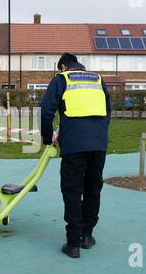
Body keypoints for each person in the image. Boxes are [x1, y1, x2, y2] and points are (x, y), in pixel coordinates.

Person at [40, 53, 111, 259]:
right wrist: (98, 135)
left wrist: (47, 138)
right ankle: (87, 236)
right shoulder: (98, 80)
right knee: (93, 188)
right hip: (98, 145)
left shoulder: (61, 79)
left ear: (63, 65)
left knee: (72, 190)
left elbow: (46, 111)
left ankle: (73, 244)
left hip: (73, 146)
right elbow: (107, 112)